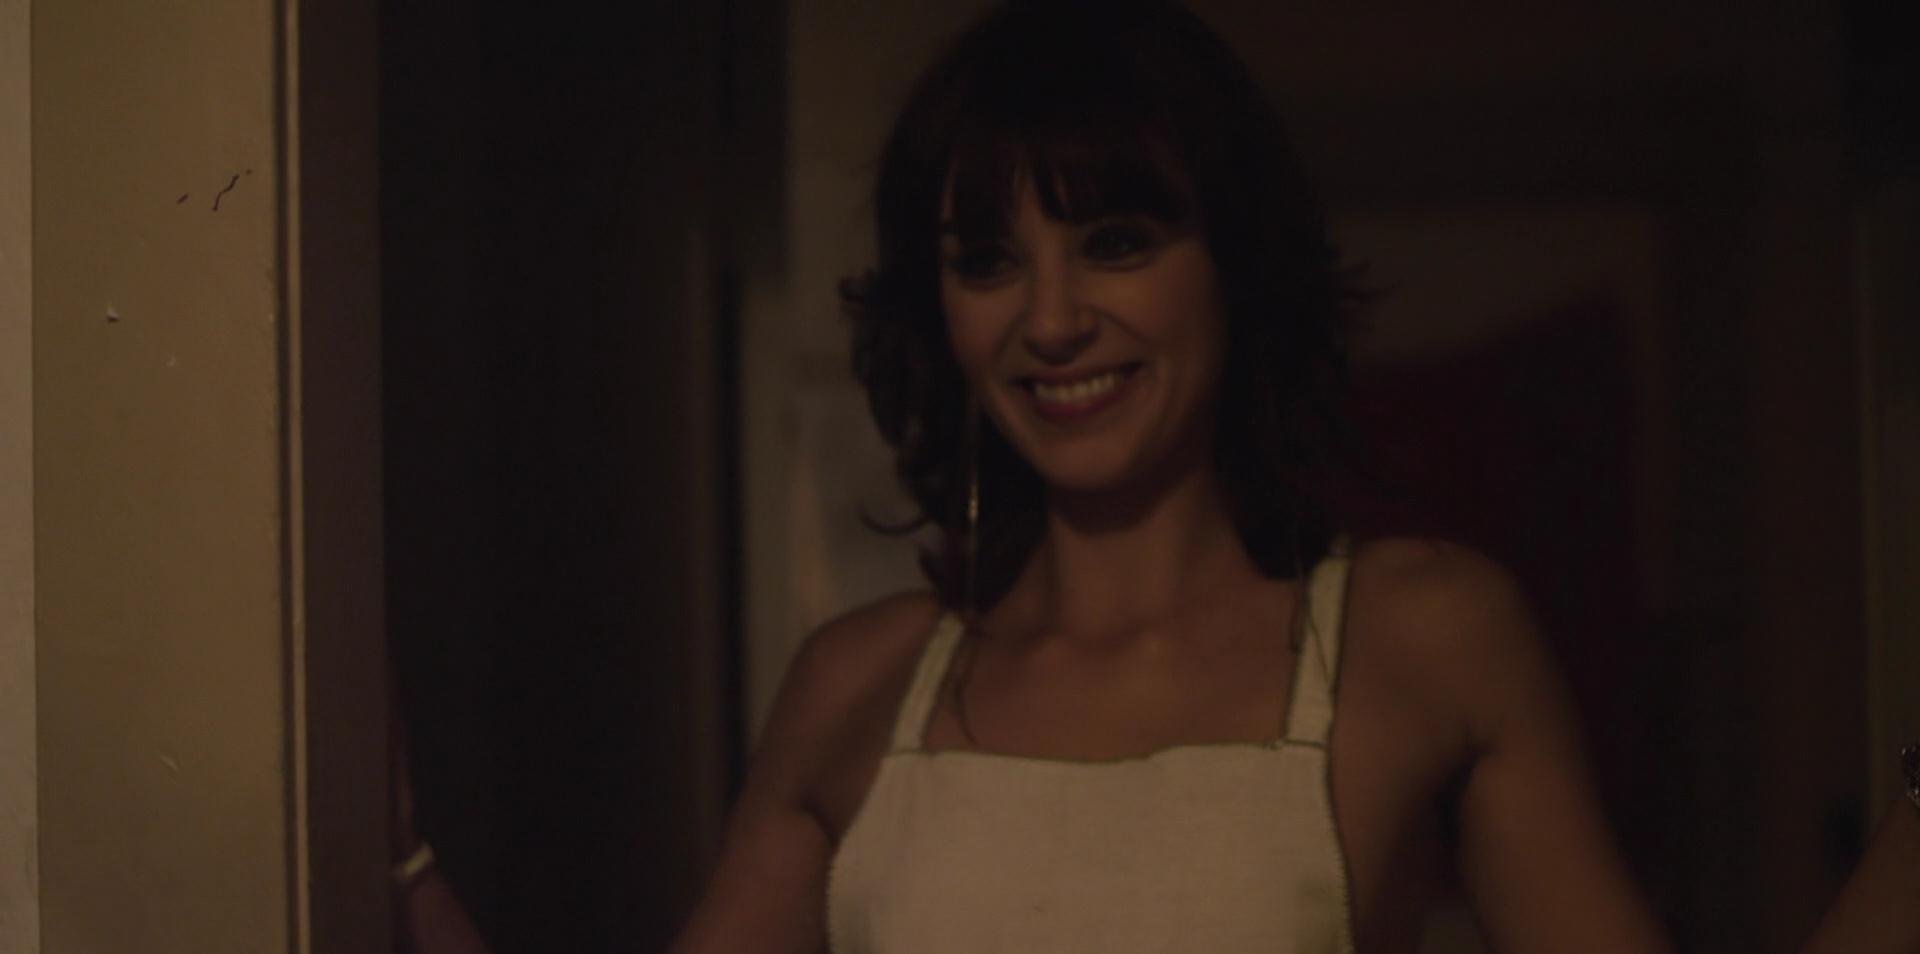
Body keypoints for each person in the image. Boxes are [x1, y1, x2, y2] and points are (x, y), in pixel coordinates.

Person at [671, 2, 1918, 951]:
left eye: (1115, 242)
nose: (1049, 321)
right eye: (989, 261)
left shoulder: (1422, 636)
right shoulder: (857, 684)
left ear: (1236, 260)